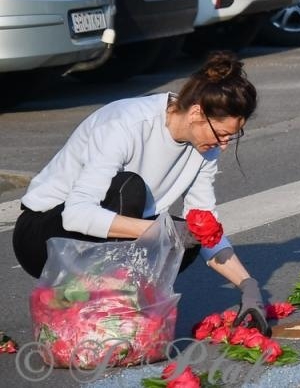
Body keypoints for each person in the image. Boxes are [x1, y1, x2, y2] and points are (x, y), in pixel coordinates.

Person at [13, 52, 268, 317]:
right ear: (196, 113)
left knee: (189, 235)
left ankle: (111, 304)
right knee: (130, 190)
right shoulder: (126, 124)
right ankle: (104, 307)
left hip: (104, 234)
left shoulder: (206, 148)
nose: (224, 145)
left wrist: (248, 286)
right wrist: (161, 232)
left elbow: (205, 224)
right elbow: (76, 215)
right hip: (44, 236)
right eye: (222, 134)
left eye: (232, 137)